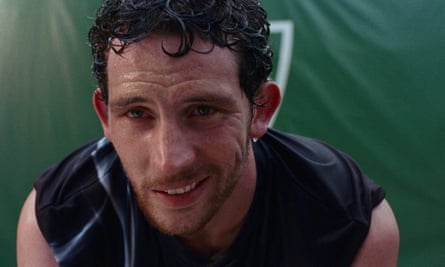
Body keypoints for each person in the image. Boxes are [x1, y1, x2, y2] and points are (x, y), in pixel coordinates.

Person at [17, 0, 399, 266]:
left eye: (203, 110)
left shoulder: (346, 221)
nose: (170, 159)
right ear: (106, 117)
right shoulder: (59, 223)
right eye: (137, 113)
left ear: (260, 109)